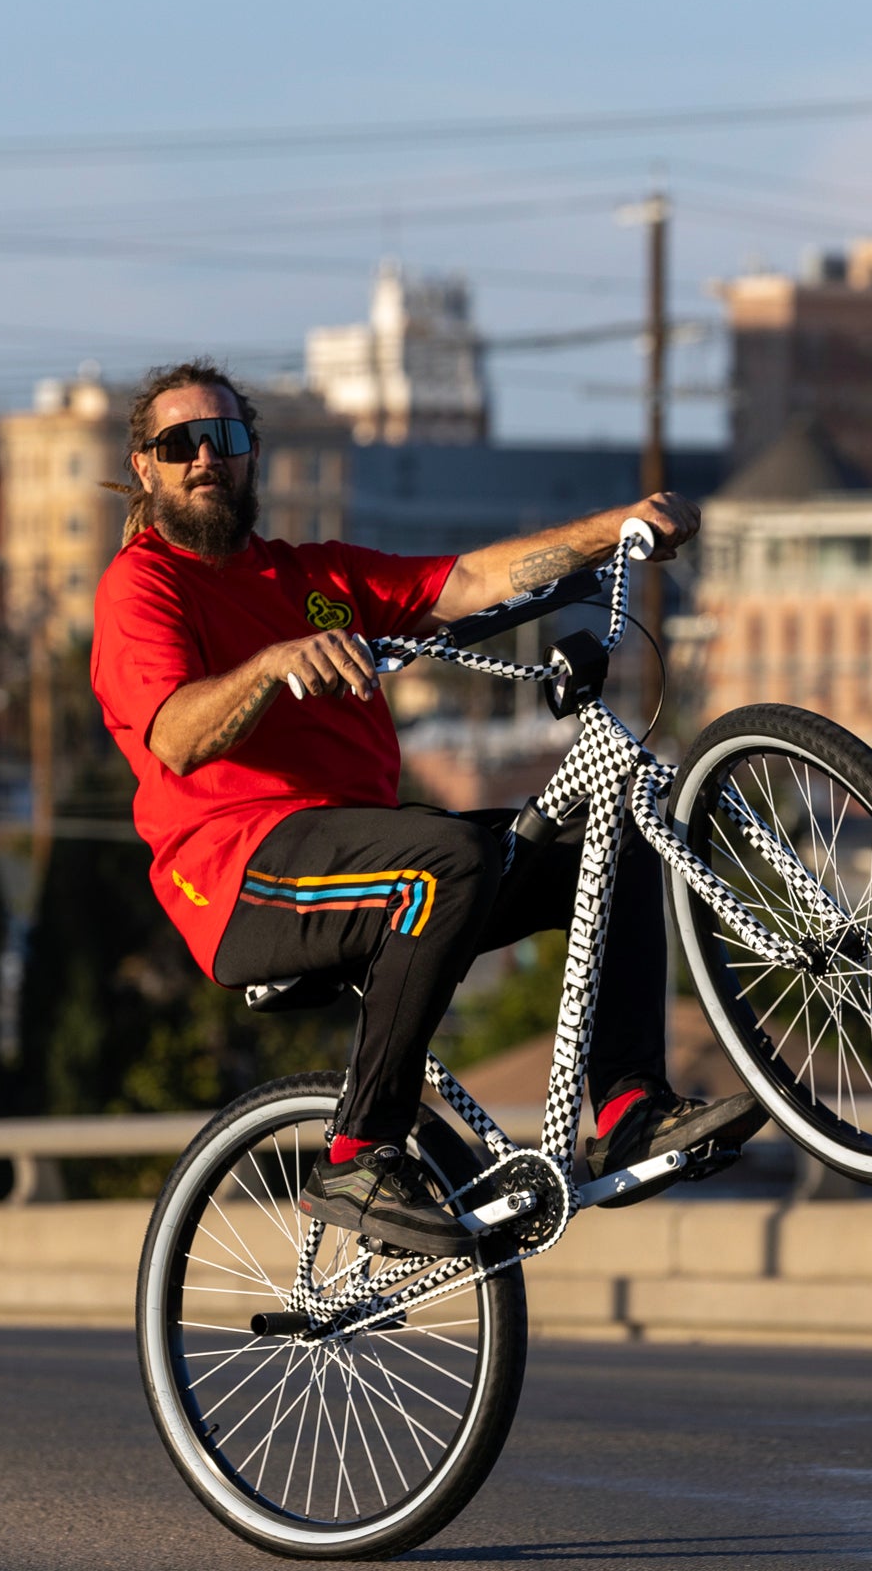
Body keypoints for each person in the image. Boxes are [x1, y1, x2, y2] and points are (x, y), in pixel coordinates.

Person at [90, 360, 758, 1258]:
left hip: (366, 852)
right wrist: (272, 665)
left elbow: (470, 579)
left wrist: (615, 529)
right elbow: (174, 736)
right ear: (145, 466)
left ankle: (630, 1108)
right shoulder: (142, 585)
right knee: (446, 860)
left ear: (252, 455)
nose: (206, 457)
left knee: (613, 845)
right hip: (243, 877)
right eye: (180, 444)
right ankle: (357, 1155)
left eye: (226, 437)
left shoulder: (315, 575)